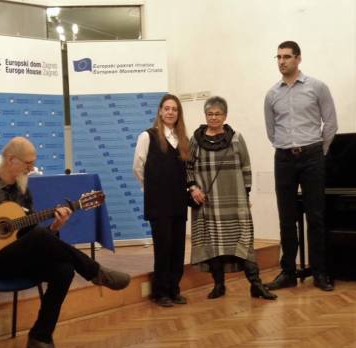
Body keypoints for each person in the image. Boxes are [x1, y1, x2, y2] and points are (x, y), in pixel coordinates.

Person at [0, 136, 130, 348]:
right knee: (39, 237)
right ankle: (95, 271)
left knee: (64, 269)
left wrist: (55, 227)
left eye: (33, 163)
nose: (31, 168)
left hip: (18, 260)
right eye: (28, 163)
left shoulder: (22, 190)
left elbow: (31, 236)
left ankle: (40, 339)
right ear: (11, 160)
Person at [264, 41, 338, 292]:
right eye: (278, 57)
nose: (281, 61)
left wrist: (319, 151)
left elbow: (330, 123)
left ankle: (319, 272)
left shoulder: (317, 87)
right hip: (284, 158)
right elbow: (271, 131)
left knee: (315, 216)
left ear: (298, 58)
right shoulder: (272, 94)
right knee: (286, 218)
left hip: (312, 156)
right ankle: (288, 272)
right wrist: (286, 146)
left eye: (286, 57)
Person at [187, 96, 277, 300]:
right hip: (207, 204)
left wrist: (246, 195)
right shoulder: (195, 140)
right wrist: (193, 188)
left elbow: (246, 167)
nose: (213, 117)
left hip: (234, 203)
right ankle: (219, 285)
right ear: (205, 116)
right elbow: (188, 167)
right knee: (213, 245)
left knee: (243, 244)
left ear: (225, 116)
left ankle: (256, 285)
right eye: (210, 114)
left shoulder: (236, 138)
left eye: (217, 114)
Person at [133, 94, 190, 307]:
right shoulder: (147, 136)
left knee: (177, 248)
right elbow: (138, 167)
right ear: (160, 111)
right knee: (163, 248)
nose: (170, 112)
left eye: (174, 109)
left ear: (178, 113)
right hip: (158, 203)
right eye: (167, 108)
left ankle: (174, 289)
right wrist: (152, 189)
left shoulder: (183, 139)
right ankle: (161, 292)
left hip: (178, 202)